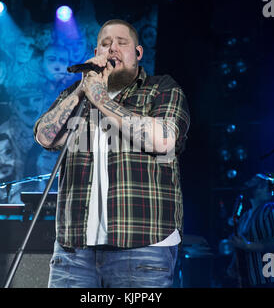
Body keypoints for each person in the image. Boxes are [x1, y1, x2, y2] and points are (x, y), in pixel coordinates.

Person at [34, 19, 190, 288]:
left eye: (121, 43)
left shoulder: (161, 89)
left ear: (138, 53)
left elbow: (163, 139)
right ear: (96, 54)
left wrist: (102, 101)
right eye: (105, 44)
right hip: (75, 249)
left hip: (143, 246)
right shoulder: (77, 95)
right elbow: (45, 136)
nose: (112, 49)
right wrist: (82, 91)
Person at [227, 176, 274, 288]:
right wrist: (233, 265)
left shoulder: (272, 209)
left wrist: (249, 246)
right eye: (262, 187)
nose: (268, 189)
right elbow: (240, 245)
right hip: (250, 279)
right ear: (252, 191)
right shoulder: (245, 216)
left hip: (269, 277)